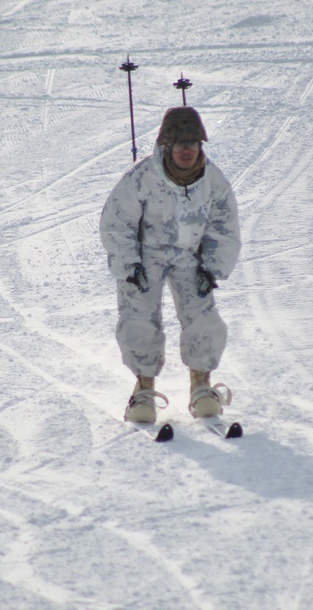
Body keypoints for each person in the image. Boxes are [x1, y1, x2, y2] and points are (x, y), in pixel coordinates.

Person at [100, 106, 241, 423]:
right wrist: (128, 265)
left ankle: (201, 387)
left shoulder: (212, 180)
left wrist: (212, 267)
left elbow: (225, 224)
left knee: (203, 316)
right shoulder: (142, 177)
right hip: (146, 255)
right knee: (138, 316)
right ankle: (143, 392)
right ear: (166, 146)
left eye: (193, 144)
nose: (187, 151)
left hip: (189, 255)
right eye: (180, 144)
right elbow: (116, 222)